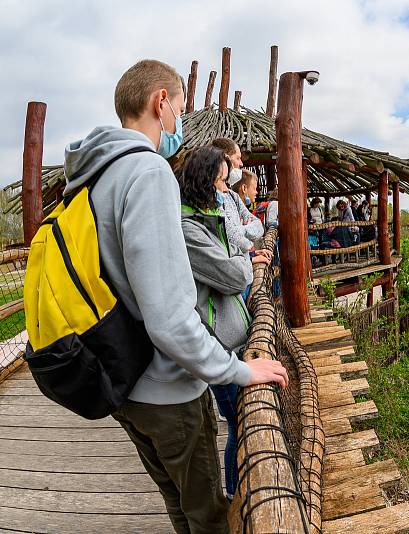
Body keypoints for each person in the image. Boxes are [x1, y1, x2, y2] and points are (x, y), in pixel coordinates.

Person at [62, 59, 288, 534]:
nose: (179, 122)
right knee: (208, 515)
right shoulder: (146, 173)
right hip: (167, 387)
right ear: (160, 102)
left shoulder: (88, 175)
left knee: (175, 502)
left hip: (122, 380)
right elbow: (167, 313)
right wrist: (237, 369)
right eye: (180, 107)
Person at [178, 146, 269, 501]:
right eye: (220, 179)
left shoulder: (206, 221)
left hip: (226, 337)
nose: (225, 185)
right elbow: (235, 274)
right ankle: (234, 493)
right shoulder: (191, 229)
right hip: (219, 342)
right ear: (205, 183)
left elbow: (244, 242)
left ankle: (233, 491)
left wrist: (240, 253)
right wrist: (243, 257)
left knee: (235, 421)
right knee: (237, 423)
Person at [211, 137, 264, 254]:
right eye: (238, 158)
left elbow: (259, 226)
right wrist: (248, 244)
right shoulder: (210, 198)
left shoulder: (233, 196)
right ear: (225, 158)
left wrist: (239, 229)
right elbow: (234, 239)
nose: (241, 163)